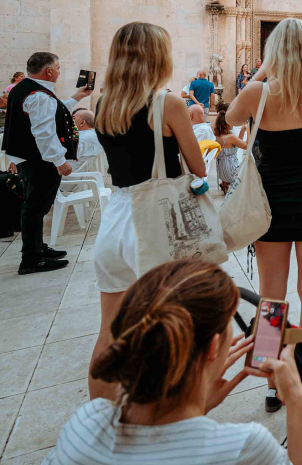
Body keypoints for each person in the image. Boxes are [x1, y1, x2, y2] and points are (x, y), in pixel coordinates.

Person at [49, 259, 302, 465]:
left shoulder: (84, 425)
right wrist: (294, 398)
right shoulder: (242, 448)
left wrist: (197, 407)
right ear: (212, 348)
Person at [90, 22, 208, 400]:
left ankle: (99, 424)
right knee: (171, 326)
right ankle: (168, 423)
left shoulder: (104, 103)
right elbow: (198, 167)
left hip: (117, 216)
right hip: (155, 220)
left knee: (110, 326)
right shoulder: (167, 103)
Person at [226, 17, 302, 414]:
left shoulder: (258, 92)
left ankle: (274, 381)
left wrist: (262, 71)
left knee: (272, 297)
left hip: (270, 206)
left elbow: (230, 120)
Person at [3, 52, 93, 274]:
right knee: (35, 208)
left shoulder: (27, 88)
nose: (60, 72)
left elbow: (54, 109)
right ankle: (32, 259)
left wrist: (77, 97)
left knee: (37, 207)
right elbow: (44, 132)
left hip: (31, 158)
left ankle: (38, 248)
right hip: (40, 161)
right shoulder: (38, 95)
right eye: (59, 68)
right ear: (49, 70)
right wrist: (59, 161)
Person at [213, 107, 247, 195]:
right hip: (231, 171)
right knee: (250, 171)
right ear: (226, 123)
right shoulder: (230, 137)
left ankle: (226, 184)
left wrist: (242, 130)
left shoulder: (217, 136)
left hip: (222, 172)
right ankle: (231, 185)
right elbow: (247, 146)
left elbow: (238, 143)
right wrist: (248, 129)